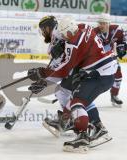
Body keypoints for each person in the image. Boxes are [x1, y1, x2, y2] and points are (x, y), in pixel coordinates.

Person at [28, 16, 117, 153]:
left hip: (97, 72)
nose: (63, 37)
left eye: (64, 35)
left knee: (78, 101)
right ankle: (69, 120)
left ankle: (92, 131)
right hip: (96, 69)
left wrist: (43, 74)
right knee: (63, 92)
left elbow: (64, 68)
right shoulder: (83, 27)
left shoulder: (72, 43)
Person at [94, 13, 127, 106]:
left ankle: (114, 95)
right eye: (100, 23)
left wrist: (122, 47)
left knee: (118, 76)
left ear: (109, 23)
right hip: (97, 59)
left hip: (111, 58)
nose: (102, 25)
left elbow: (123, 41)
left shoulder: (117, 30)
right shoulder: (93, 33)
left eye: (104, 23)